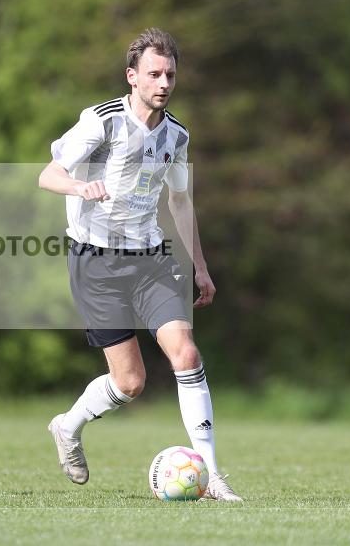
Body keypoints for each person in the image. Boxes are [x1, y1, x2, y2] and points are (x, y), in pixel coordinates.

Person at [38, 27, 241, 501]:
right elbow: (49, 175)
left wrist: (200, 266)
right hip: (95, 261)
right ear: (132, 76)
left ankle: (212, 476)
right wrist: (80, 187)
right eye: (154, 74)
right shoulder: (101, 122)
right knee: (130, 383)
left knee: (186, 354)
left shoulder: (176, 135)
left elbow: (181, 201)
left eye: (170, 74)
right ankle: (68, 427)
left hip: (151, 259)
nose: (164, 83)